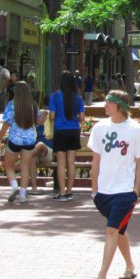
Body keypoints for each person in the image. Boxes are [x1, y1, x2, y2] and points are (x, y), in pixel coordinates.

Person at [88, 90, 140, 279]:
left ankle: (101, 276)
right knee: (120, 230)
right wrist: (94, 190)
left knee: (111, 229)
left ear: (120, 106)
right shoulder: (99, 128)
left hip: (124, 191)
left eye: (108, 103)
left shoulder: (135, 130)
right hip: (103, 192)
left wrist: (135, 190)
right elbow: (96, 160)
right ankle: (130, 266)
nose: (105, 106)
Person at [49, 71, 86, 200]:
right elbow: (82, 118)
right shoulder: (78, 97)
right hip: (74, 130)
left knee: (61, 164)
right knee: (71, 162)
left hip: (60, 130)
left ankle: (62, 192)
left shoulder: (54, 96)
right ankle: (70, 190)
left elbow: (52, 116)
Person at [0, 81, 39, 204]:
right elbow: (36, 122)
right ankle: (22, 195)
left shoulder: (12, 105)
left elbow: (6, 124)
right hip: (30, 140)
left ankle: (14, 186)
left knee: (8, 165)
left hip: (14, 140)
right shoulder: (33, 105)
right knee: (25, 167)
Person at [29, 108, 53, 194]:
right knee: (32, 158)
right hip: (36, 153)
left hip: (48, 153)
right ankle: (34, 188)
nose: (37, 118)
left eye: (40, 116)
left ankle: (25, 158)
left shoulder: (50, 125)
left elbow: (51, 113)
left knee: (40, 144)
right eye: (38, 116)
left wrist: (46, 112)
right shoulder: (33, 127)